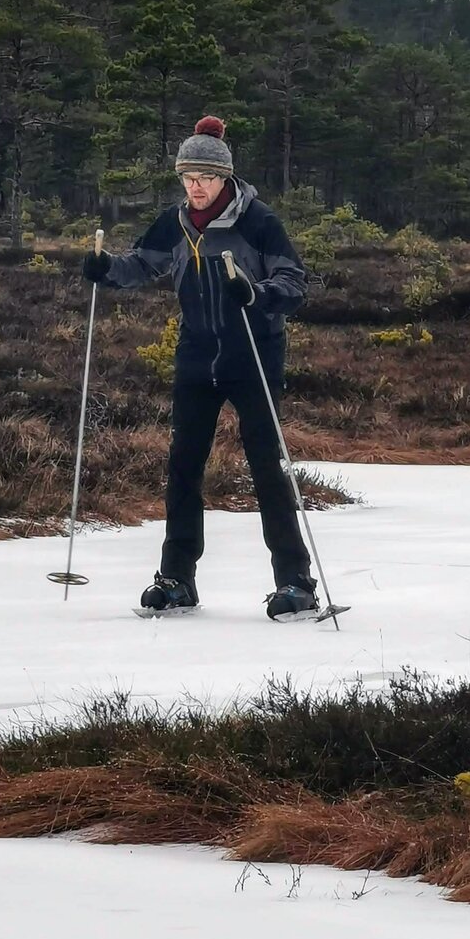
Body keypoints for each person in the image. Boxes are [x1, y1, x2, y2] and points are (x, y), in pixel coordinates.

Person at [82, 115, 317, 619]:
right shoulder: (175, 221)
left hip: (253, 354)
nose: (196, 187)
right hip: (195, 356)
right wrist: (105, 270)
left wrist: (255, 293)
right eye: (188, 178)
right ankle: (176, 580)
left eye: (205, 178)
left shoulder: (259, 222)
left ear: (225, 178)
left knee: (267, 468)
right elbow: (140, 264)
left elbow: (294, 285)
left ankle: (296, 582)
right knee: (184, 466)